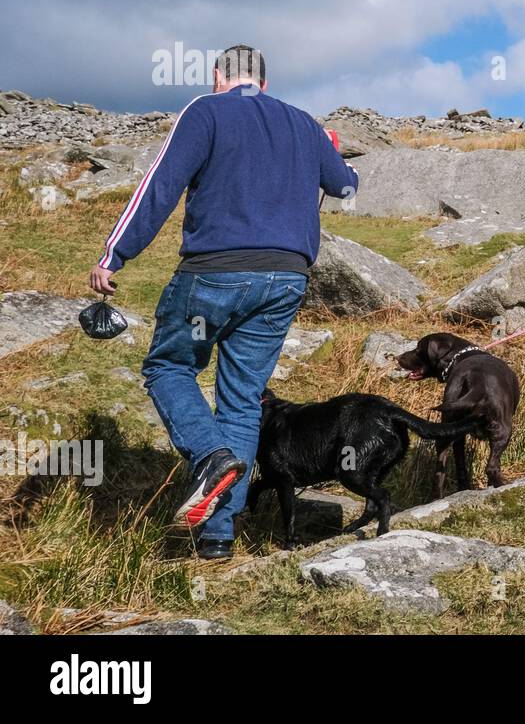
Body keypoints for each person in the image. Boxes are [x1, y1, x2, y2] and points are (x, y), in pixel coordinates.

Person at [88, 45, 358, 560]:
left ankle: (209, 457)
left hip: (216, 273)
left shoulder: (205, 110)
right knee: (241, 398)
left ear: (218, 75)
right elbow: (345, 186)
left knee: (169, 365)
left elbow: (161, 184)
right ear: (264, 80)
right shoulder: (304, 124)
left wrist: (114, 254)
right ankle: (218, 536)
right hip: (286, 279)